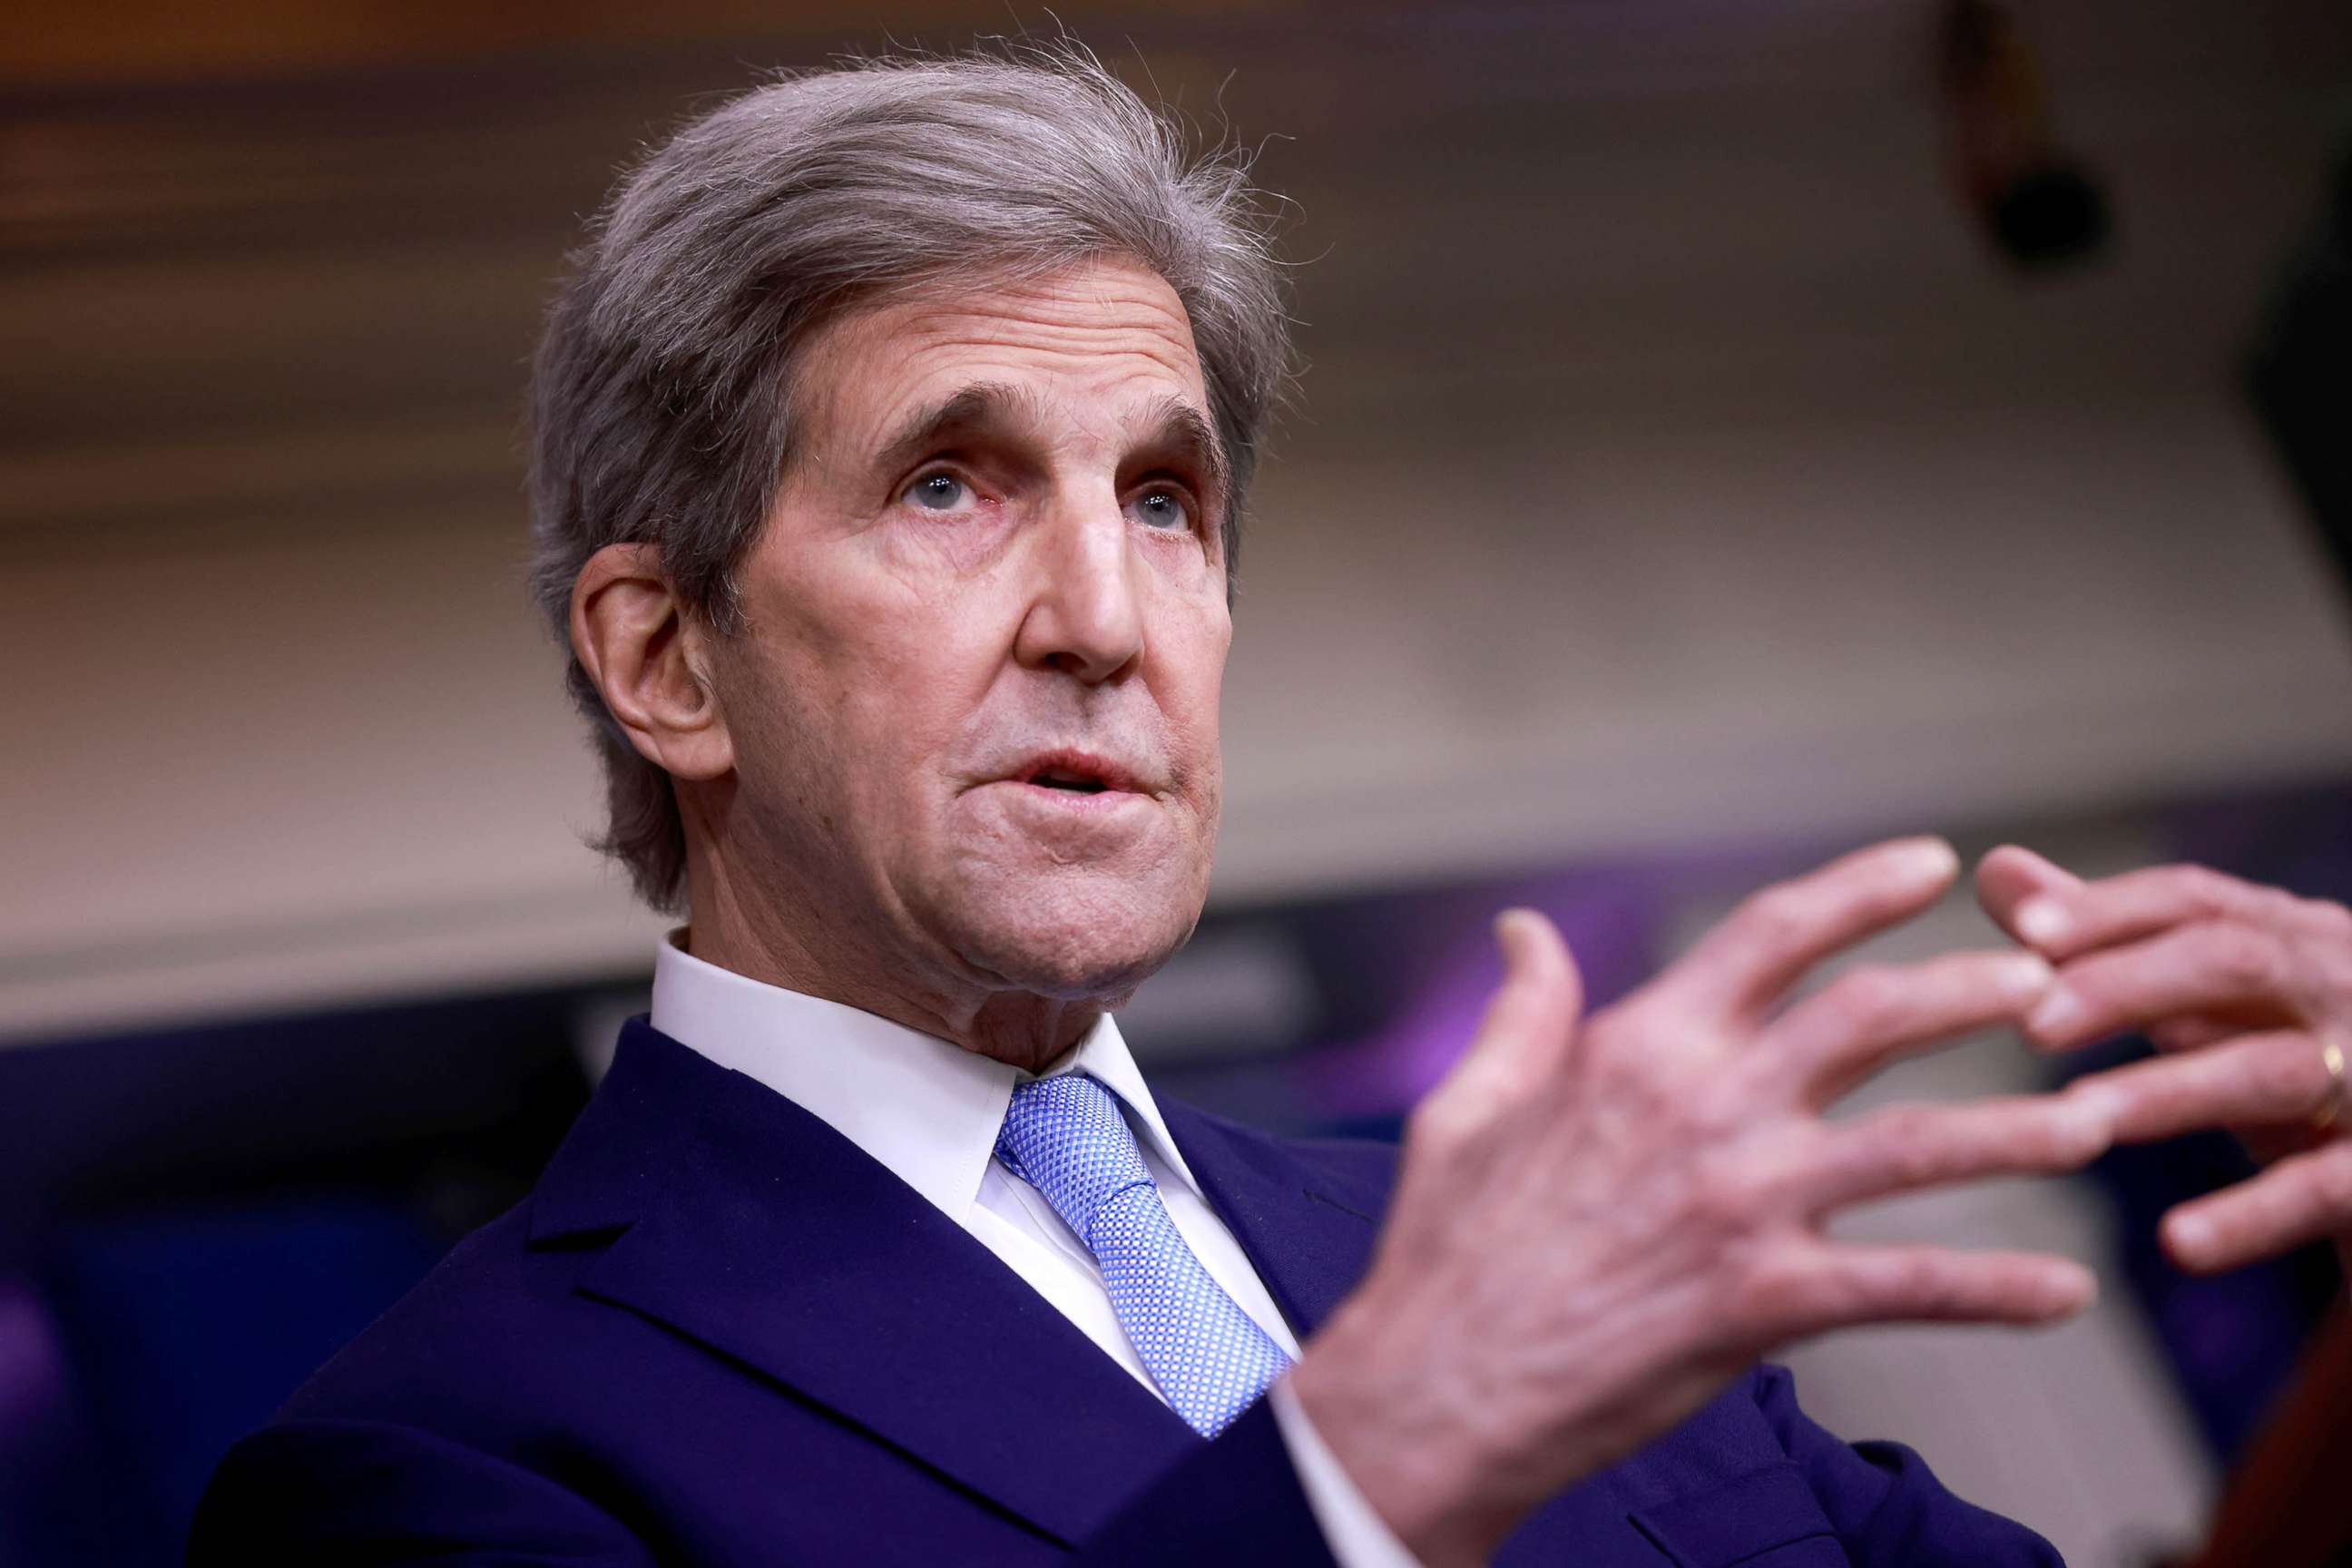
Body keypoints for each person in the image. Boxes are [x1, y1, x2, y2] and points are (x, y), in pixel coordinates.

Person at [188, 47, 2352, 1567]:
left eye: (1166, 497)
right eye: (949, 482)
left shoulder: (1493, 1261)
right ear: (667, 659)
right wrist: (1383, 1456)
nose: (1105, 619)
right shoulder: (443, 1458)